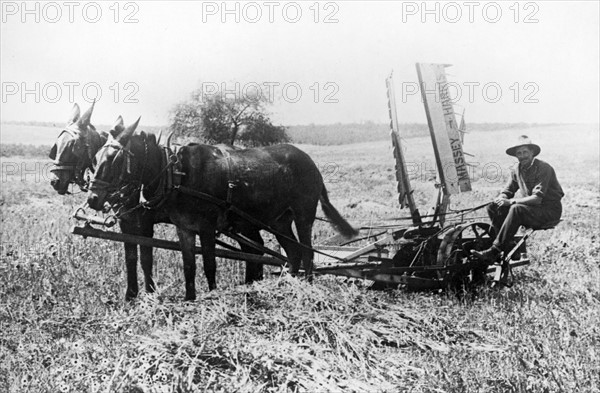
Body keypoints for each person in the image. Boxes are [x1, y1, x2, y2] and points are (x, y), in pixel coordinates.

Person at [471, 135, 564, 262]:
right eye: (519, 153)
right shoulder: (517, 169)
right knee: (493, 207)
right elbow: (508, 190)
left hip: (548, 212)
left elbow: (537, 199)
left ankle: (495, 251)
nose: (522, 155)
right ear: (516, 156)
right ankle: (508, 247)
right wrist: (502, 198)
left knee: (516, 209)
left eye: (525, 152)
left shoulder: (543, 168)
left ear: (532, 152)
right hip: (531, 211)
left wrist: (510, 201)